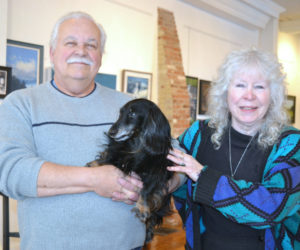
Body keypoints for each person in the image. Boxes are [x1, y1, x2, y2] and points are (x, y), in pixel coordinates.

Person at [0, 11, 160, 250]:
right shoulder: (21, 103)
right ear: (53, 52)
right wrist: (96, 179)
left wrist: (149, 188)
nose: (81, 51)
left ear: (100, 57)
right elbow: (11, 172)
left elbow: (172, 160)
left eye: (91, 45)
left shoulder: (132, 107)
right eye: (71, 42)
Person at [167, 48, 300, 249]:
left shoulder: (290, 143)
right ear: (225, 92)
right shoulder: (199, 133)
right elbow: (174, 171)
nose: (249, 96)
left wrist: (203, 177)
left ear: (273, 95)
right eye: (240, 85)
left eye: (259, 87)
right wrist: (165, 185)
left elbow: (272, 207)